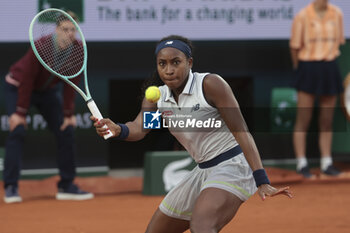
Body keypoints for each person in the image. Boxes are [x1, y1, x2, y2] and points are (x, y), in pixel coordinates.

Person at [92, 35, 292, 233]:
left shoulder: (210, 85)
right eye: (162, 64)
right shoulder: (157, 99)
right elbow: (139, 129)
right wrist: (118, 129)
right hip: (202, 170)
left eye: (175, 62)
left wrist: (262, 179)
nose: (169, 70)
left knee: (202, 226)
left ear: (189, 62)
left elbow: (242, 132)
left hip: (233, 166)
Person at [3, 11, 93, 203]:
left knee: (66, 130)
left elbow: (72, 82)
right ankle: (11, 186)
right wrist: (20, 112)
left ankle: (66, 185)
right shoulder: (41, 45)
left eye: (73, 30)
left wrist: (69, 113)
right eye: (65, 29)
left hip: (47, 92)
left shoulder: (78, 49)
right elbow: (27, 79)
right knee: (17, 130)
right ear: (56, 29)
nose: (69, 33)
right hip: (19, 87)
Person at [290, 0, 345, 178]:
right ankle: (302, 163)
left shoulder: (337, 14)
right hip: (308, 68)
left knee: (327, 120)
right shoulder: (302, 16)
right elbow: (295, 47)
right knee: (303, 119)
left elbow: (338, 42)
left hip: (329, 67)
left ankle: (326, 162)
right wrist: (301, 70)